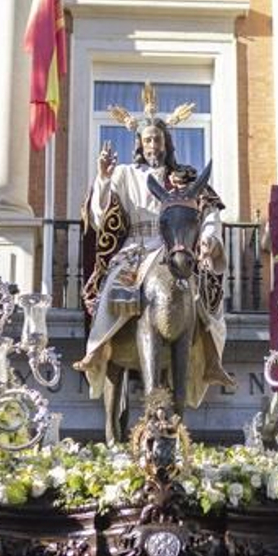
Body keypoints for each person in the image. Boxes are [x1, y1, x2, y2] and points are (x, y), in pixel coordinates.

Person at [76, 89, 232, 417]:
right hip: (135, 247)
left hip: (171, 246)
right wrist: (102, 179)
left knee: (201, 294)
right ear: (139, 144)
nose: (152, 147)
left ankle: (213, 358)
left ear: (166, 143)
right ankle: (98, 347)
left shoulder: (183, 176)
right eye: (147, 141)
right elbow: (101, 215)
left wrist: (207, 238)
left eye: (157, 140)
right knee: (113, 285)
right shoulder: (123, 175)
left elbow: (210, 210)